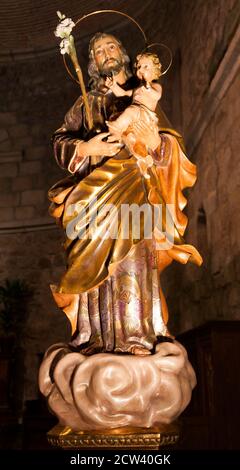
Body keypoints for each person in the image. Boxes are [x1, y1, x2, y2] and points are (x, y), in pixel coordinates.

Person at [49, 32, 202, 356]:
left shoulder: (141, 92)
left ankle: (138, 337)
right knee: (90, 257)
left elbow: (171, 145)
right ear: (92, 62)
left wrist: (155, 144)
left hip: (136, 189)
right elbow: (60, 141)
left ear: (123, 53)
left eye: (111, 46)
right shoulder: (85, 102)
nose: (105, 53)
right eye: (98, 50)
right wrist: (86, 146)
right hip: (96, 196)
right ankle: (96, 339)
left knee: (132, 260)